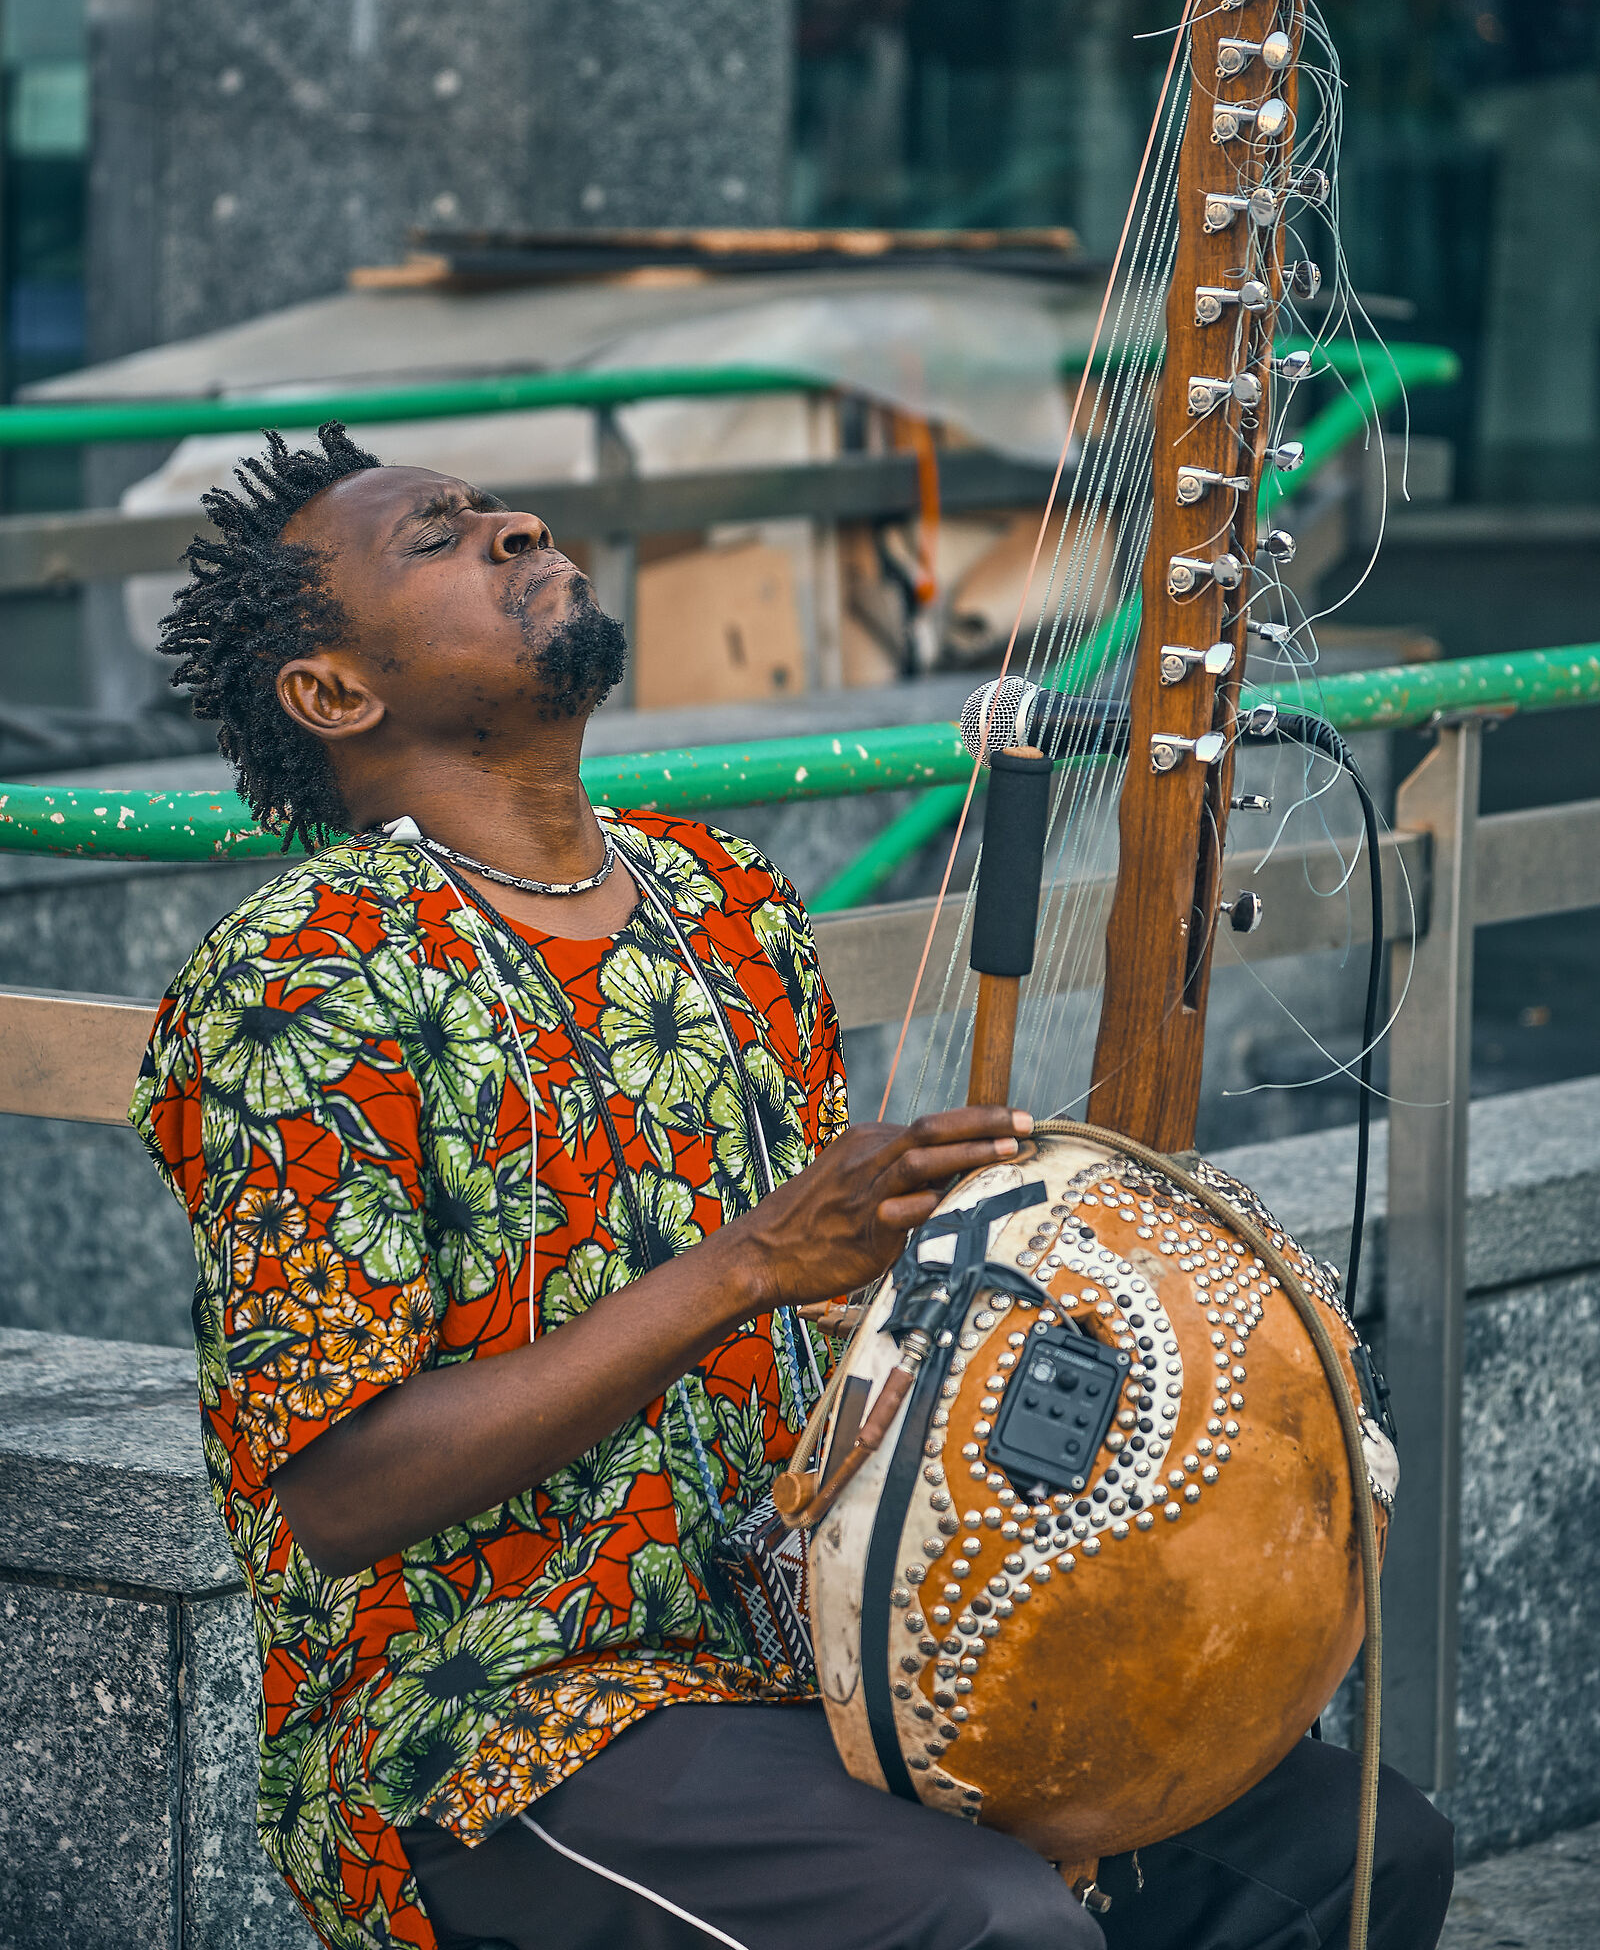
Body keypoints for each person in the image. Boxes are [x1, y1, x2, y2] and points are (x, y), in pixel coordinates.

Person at [135, 425, 1453, 1950]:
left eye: (498, 509)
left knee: (1355, 1849)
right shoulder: (299, 979)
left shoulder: (726, 899)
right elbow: (331, 1497)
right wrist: (754, 1264)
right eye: (437, 538)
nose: (513, 529)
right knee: (986, 1925)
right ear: (335, 693)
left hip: (819, 1645)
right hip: (491, 1715)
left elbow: (840, 1315)